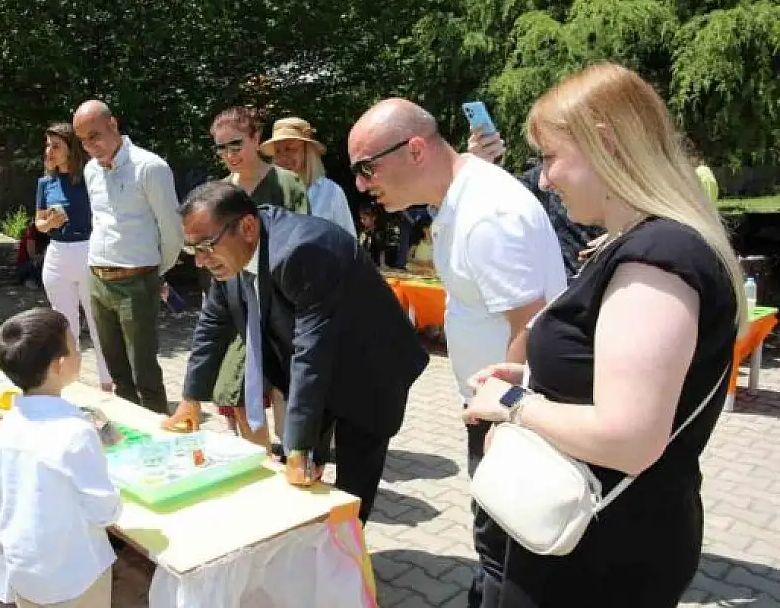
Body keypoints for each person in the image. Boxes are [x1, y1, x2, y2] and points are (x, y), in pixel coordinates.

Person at [463, 62, 744, 608]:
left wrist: (514, 403)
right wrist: (536, 375)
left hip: (599, 555)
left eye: (549, 158)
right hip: (597, 535)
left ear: (606, 145)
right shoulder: (644, 245)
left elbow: (629, 438)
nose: (543, 179)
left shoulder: (657, 257)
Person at [349, 99, 568, 607]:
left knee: (504, 551)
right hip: (502, 408)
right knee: (498, 547)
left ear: (417, 149)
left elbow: (532, 325)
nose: (361, 184)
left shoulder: (484, 213)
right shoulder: (464, 195)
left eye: (367, 168)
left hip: (512, 417)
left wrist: (504, 424)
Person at [166, 182, 428, 522]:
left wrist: (299, 445)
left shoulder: (303, 250)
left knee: (352, 486)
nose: (200, 261)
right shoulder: (227, 252)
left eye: (204, 247)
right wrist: (191, 400)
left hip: (369, 367)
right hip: (316, 368)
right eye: (192, 250)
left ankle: (349, 562)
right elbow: (212, 325)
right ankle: (314, 551)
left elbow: (311, 351)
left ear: (247, 227)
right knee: (302, 469)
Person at [166, 106, 310, 437]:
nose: (230, 155)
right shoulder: (217, 193)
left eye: (236, 144)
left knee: (285, 390)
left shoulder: (286, 183)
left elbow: (301, 243)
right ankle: (258, 459)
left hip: (281, 304)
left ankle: (293, 451)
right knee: (237, 388)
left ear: (256, 138)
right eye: (221, 148)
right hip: (234, 305)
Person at [0, 307, 122, 608]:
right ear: (60, 364)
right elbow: (104, 510)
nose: (80, 350)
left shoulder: (8, 426)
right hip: (76, 575)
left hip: (25, 572)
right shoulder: (76, 432)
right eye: (75, 345)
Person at [72, 100, 182, 414]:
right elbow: (101, 221)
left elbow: (172, 229)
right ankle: (129, 434)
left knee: (144, 370)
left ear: (114, 124)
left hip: (137, 279)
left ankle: (160, 436)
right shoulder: (91, 169)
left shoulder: (150, 167)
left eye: (94, 135)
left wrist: (154, 271)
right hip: (97, 279)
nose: (90, 145)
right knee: (114, 369)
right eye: (82, 140)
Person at [34, 122, 112, 392]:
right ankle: (72, 385)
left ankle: (107, 384)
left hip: (88, 251)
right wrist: (50, 223)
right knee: (64, 325)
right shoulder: (45, 182)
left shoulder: (90, 178)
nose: (49, 151)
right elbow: (39, 224)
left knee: (98, 322)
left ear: (71, 149)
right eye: (47, 145)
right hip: (56, 254)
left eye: (56, 146)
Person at [468, 131, 603, 278]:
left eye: (550, 157)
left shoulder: (627, 248)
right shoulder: (543, 182)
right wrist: (480, 168)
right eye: (544, 157)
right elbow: (492, 203)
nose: (543, 183)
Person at [262, 116, 355, 235]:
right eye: (278, 151)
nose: (283, 158)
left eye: (290, 149)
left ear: (307, 151)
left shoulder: (330, 193)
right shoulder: (268, 193)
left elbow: (349, 244)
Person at [14, 222, 46, 288]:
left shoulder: (48, 234)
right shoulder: (32, 233)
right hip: (25, 265)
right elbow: (32, 255)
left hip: (34, 264)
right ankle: (29, 280)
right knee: (38, 263)